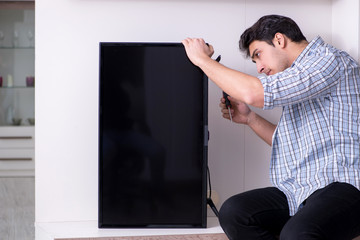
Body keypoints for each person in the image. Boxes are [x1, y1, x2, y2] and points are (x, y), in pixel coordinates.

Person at [182, 15, 360, 240]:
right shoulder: (298, 81)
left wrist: (202, 60)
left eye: (258, 56)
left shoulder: (328, 60)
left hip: (345, 186)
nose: (260, 68)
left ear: (279, 40)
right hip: (302, 189)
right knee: (235, 212)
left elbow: (253, 93)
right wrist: (250, 119)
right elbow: (287, 141)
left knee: (296, 234)